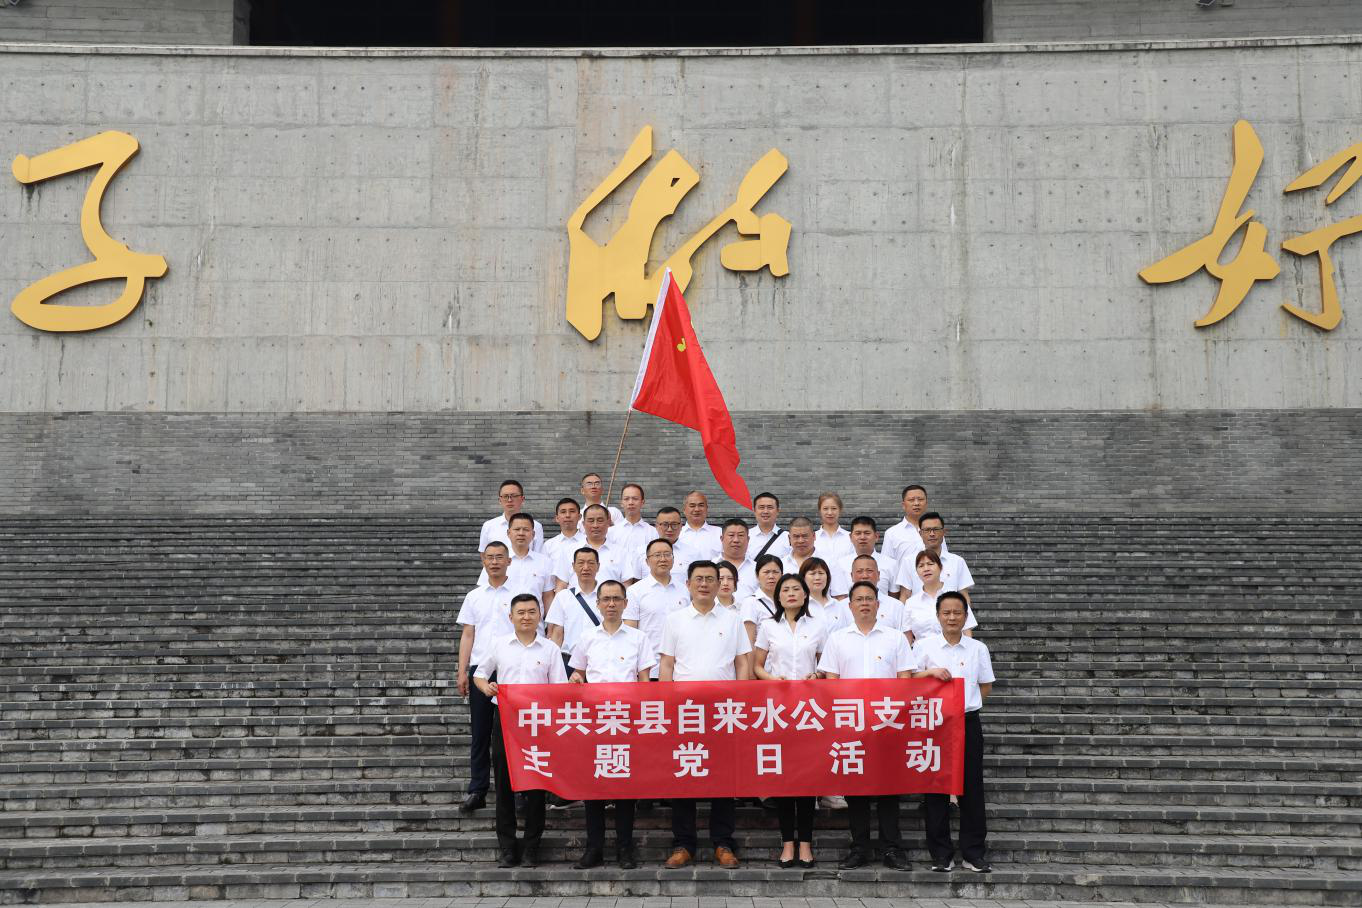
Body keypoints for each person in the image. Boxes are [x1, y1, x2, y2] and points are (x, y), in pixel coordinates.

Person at [659, 560, 752, 869]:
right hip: (684, 710)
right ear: (687, 584)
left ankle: (723, 843)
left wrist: (740, 702)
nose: (704, 584)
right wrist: (666, 705)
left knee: (724, 777)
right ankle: (683, 844)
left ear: (719, 584)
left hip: (723, 711)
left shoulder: (733, 619)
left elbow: (742, 663)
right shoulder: (674, 620)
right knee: (684, 774)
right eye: (698, 579)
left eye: (710, 579)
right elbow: (667, 665)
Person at [817, 581, 914, 871]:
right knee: (855, 790)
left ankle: (891, 848)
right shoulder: (837, 639)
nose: (864, 603)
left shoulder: (895, 638)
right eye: (858, 599)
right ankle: (859, 847)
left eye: (869, 598)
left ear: (878, 604)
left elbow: (905, 680)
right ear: (850, 606)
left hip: (887, 724)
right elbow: (831, 684)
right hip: (852, 725)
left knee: (889, 789)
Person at [473, 593, 568, 868]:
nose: (526, 617)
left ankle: (531, 848)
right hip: (506, 720)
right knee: (504, 785)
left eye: (531, 612)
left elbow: (559, 689)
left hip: (539, 725)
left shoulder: (550, 649)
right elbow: (479, 674)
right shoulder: (499, 644)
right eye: (521, 612)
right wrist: (486, 687)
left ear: (540, 616)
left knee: (537, 785)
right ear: (511, 617)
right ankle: (507, 848)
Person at [568, 580, 654, 869]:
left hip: (626, 720)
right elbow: (578, 674)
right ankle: (594, 848)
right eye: (606, 599)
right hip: (595, 721)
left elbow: (645, 681)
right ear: (598, 604)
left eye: (617, 598)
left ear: (626, 603)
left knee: (625, 786)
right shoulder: (587, 638)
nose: (612, 604)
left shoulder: (638, 638)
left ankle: (625, 848)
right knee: (593, 785)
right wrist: (576, 680)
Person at [914, 591, 995, 873]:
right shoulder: (923, 646)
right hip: (933, 724)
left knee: (971, 787)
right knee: (935, 787)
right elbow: (908, 679)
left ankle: (973, 852)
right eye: (946, 613)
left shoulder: (977, 648)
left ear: (965, 616)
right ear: (937, 616)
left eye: (957, 612)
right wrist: (930, 673)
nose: (951, 618)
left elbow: (985, 686)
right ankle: (941, 854)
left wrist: (966, 707)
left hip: (967, 722)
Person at [753, 573, 824, 868]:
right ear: (778, 596)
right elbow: (757, 666)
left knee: (806, 777)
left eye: (796, 589)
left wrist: (817, 675)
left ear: (805, 594)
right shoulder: (768, 626)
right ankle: (787, 843)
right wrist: (773, 679)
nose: (791, 593)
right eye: (785, 590)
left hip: (809, 709)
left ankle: (805, 843)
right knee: (783, 777)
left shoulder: (818, 625)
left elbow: (826, 664)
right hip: (778, 708)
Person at [455, 541, 514, 813]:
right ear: (483, 561)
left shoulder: (520, 595)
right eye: (490, 557)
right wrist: (462, 670)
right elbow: (468, 634)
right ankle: (477, 789)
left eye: (500, 557)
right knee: (480, 732)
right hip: (480, 670)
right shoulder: (474, 596)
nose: (494, 562)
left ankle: (516, 788)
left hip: (511, 670)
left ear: (509, 561)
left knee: (512, 734)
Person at [622, 538, 690, 679]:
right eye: (657, 555)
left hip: (681, 668)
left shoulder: (684, 590)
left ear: (673, 559)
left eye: (667, 554)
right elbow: (630, 632)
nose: (663, 559)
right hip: (648, 669)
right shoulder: (635, 591)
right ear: (647, 561)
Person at [894, 512, 974, 604]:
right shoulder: (909, 561)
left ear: (944, 532)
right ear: (920, 533)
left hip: (950, 612)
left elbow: (964, 595)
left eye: (936, 529)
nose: (932, 534)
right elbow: (905, 595)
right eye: (927, 530)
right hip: (919, 612)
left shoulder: (957, 562)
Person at [902, 550, 978, 644]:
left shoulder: (956, 599)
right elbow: (907, 639)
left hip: (952, 650)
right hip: (921, 652)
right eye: (921, 566)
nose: (926, 569)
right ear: (917, 572)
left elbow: (967, 631)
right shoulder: (911, 603)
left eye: (930, 564)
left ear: (940, 568)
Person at [545, 547, 602, 669]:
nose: (586, 567)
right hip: (568, 661)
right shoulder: (563, 596)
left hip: (600, 661)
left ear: (598, 566)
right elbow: (557, 634)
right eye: (581, 563)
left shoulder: (607, 597)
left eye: (591, 563)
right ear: (573, 566)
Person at [554, 503, 631, 590]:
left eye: (600, 520)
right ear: (583, 524)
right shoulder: (569, 550)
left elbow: (626, 586)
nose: (595, 525)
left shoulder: (621, 552)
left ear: (608, 523)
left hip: (610, 598)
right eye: (591, 521)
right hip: (576, 598)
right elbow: (561, 585)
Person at [831, 516, 895, 599]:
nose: (862, 537)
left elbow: (894, 597)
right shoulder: (840, 564)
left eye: (867, 533)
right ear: (850, 537)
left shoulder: (891, 564)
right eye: (858, 533)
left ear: (876, 537)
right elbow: (839, 598)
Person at [882, 484, 947, 565]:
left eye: (920, 499)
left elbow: (945, 559)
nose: (916, 503)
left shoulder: (936, 530)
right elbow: (886, 565)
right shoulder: (892, 533)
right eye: (911, 500)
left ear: (926, 503)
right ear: (903, 505)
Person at [504, 513, 556, 610]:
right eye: (517, 529)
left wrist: (550, 619)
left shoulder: (545, 562)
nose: (521, 533)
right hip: (504, 618)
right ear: (508, 533)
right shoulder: (497, 561)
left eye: (526, 530)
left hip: (535, 619)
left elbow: (548, 596)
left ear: (533, 534)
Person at [479, 479, 544, 552]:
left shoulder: (536, 526)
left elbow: (538, 554)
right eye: (505, 496)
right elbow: (484, 554)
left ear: (522, 499)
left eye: (514, 496)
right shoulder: (488, 526)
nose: (509, 500)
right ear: (500, 500)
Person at [607, 482, 658, 564]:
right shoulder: (610, 532)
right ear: (621, 503)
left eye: (635, 498)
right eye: (626, 499)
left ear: (642, 502)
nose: (630, 502)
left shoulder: (653, 533)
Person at [740, 553, 784, 646]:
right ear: (757, 575)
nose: (771, 576)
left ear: (782, 575)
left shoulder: (788, 600)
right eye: (766, 572)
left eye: (775, 572)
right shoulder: (751, 602)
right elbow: (749, 642)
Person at [800, 556, 851, 638]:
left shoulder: (837, 605)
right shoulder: (799, 605)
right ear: (803, 578)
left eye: (821, 573)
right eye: (812, 573)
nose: (817, 578)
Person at [678, 490, 722, 561]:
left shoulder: (719, 533)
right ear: (684, 510)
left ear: (707, 508)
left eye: (701, 505)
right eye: (692, 506)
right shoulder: (677, 534)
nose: (697, 509)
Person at [747, 491, 791, 561]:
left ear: (778, 511)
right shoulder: (746, 536)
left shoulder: (788, 538)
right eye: (761, 507)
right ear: (754, 510)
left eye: (770, 507)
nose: (765, 511)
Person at [718, 518, 757, 596]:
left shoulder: (757, 569)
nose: (736, 540)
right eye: (731, 535)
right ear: (722, 539)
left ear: (748, 539)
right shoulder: (711, 567)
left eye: (741, 535)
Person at [541, 498, 584, 566]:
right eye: (563, 512)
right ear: (557, 518)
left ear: (579, 517)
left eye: (572, 511)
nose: (568, 515)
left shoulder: (588, 542)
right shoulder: (548, 545)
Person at [813, 492, 854, 563]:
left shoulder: (851, 538)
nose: (830, 513)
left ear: (840, 510)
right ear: (820, 511)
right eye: (825, 508)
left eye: (834, 508)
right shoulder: (812, 538)